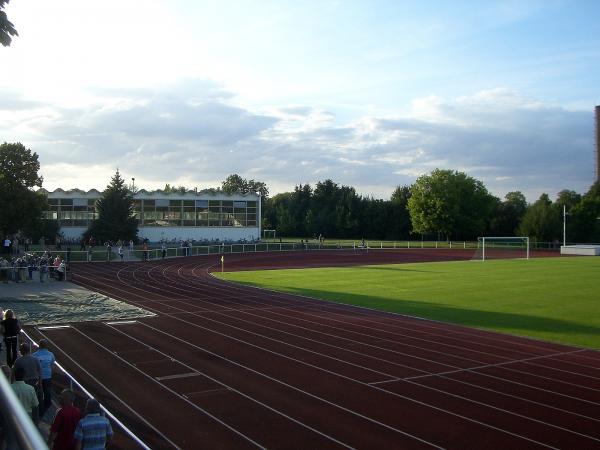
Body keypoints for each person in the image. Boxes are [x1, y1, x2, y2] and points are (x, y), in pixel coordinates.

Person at [12, 342, 42, 419]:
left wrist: (12, 384)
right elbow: (40, 371)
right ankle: (35, 421)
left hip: (24, 382)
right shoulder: (35, 359)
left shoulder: (18, 361)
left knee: (22, 401)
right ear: (29, 350)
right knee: (35, 403)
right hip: (34, 382)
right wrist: (40, 383)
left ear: (22, 351)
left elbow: (13, 373)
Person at [33, 339, 56, 417]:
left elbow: (34, 368)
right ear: (46, 346)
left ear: (39, 345)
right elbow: (52, 367)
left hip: (38, 378)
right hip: (47, 377)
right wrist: (50, 375)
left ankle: (39, 410)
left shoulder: (34, 355)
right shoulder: (51, 355)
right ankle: (43, 412)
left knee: (38, 395)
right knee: (47, 395)